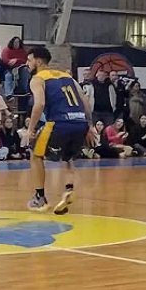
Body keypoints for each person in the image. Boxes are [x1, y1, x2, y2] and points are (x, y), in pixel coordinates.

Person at [25, 47, 95, 214]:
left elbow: (40, 104)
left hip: (58, 122)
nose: (27, 64)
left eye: (29, 60)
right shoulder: (66, 76)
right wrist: (89, 125)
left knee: (35, 155)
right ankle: (68, 191)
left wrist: (30, 129)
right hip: (80, 122)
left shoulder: (37, 78)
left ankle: (40, 198)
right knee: (68, 158)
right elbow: (84, 99)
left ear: (38, 61)